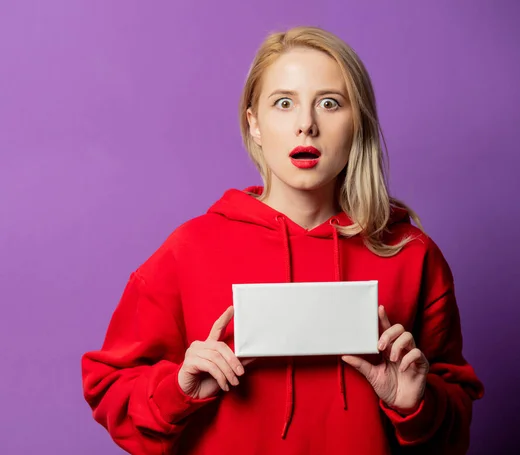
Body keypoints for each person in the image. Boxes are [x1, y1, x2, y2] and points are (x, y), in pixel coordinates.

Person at [81, 26, 484, 455]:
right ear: (254, 123)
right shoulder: (190, 249)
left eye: (329, 103)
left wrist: (417, 405)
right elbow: (109, 390)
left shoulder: (412, 255)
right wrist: (177, 390)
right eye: (283, 103)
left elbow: (453, 428)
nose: (306, 125)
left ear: (357, 123)